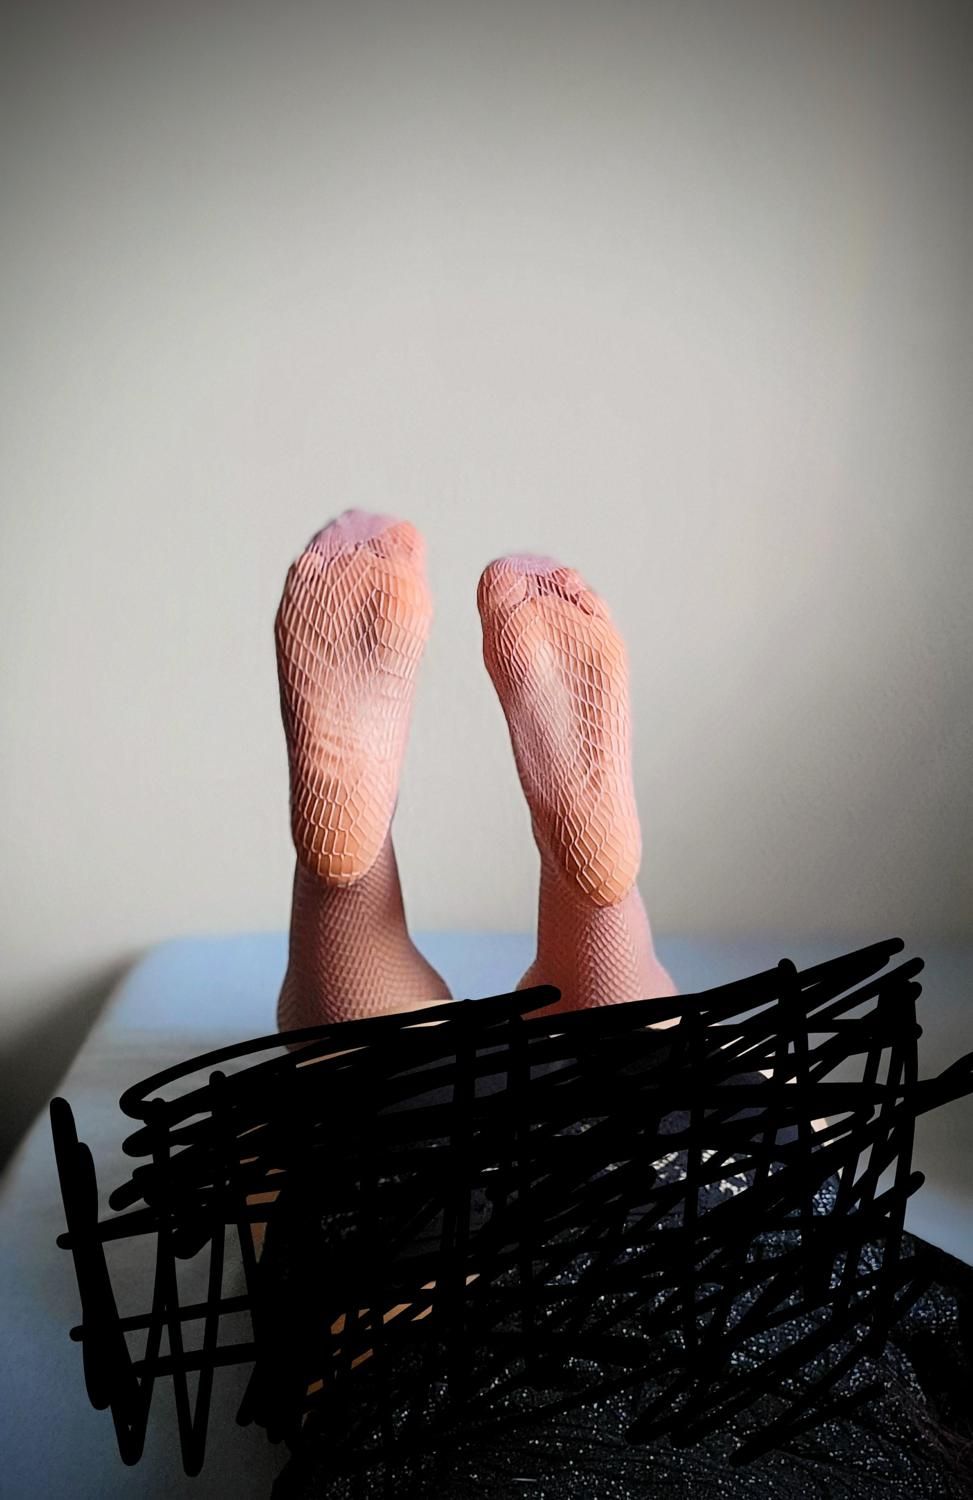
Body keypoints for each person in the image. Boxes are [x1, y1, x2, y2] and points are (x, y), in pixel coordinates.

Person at [274, 508, 678, 1034]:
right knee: (630, 1022)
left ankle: (346, 886)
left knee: (363, 1028)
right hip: (638, 1073)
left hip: (390, 1075)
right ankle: (603, 928)